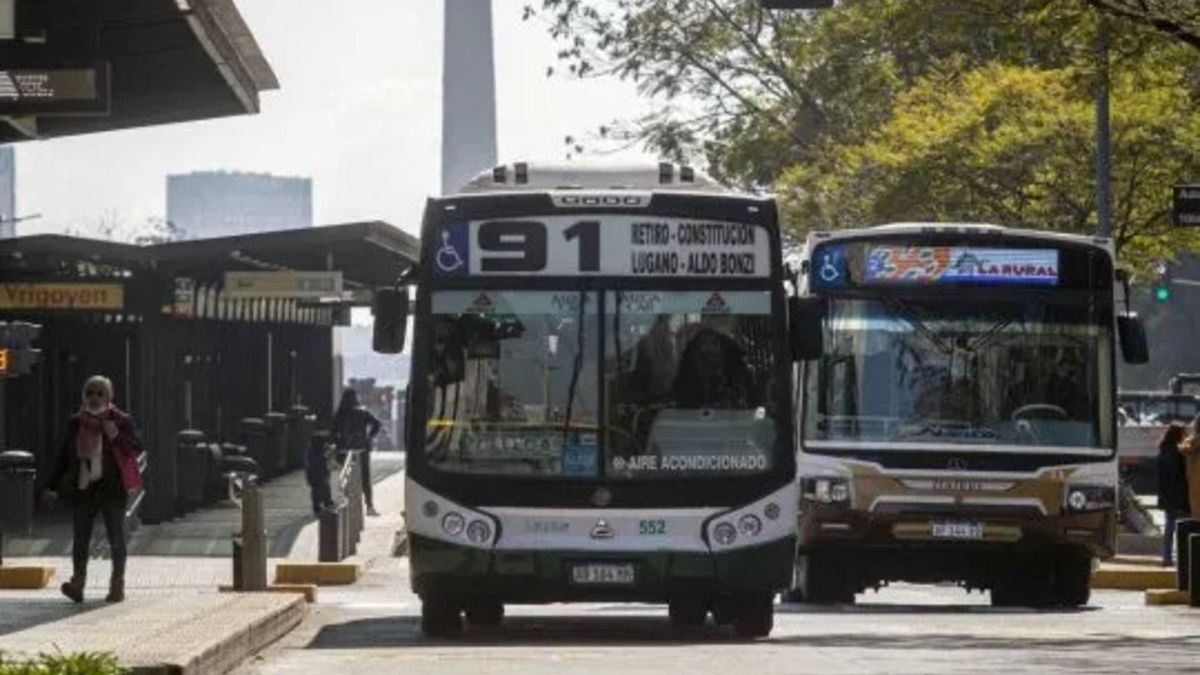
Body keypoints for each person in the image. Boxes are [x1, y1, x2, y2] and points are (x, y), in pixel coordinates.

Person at [43, 376, 143, 604]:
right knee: (80, 538)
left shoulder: (120, 420)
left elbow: (136, 446)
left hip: (112, 488)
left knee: (116, 537)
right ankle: (78, 584)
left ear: (109, 397)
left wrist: (115, 435)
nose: (94, 398)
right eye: (90, 393)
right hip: (84, 487)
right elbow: (63, 457)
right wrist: (51, 487)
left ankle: (117, 586)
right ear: (84, 396)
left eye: (100, 393)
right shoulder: (76, 422)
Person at [332, 389, 382, 516]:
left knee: (345, 477)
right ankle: (369, 506)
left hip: (344, 450)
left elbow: (333, 431)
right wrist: (369, 437)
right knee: (365, 478)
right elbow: (377, 424)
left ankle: (345, 505)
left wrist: (338, 443)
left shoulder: (340, 414)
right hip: (362, 450)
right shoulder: (363, 412)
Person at [1157, 422, 1190, 566]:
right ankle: (1182, 559)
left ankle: (1167, 557)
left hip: (1166, 495)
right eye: (1184, 433)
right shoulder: (1178, 453)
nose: (1186, 436)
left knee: (1169, 528)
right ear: (1178, 435)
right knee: (1184, 528)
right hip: (1178, 496)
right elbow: (1180, 476)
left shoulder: (1163, 450)